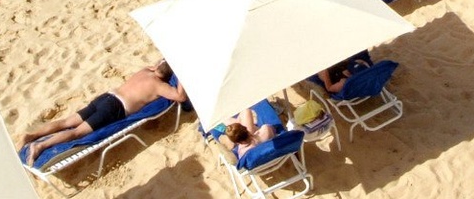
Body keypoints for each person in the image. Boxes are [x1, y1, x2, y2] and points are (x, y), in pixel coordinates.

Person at [21, 59, 186, 164]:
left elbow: (157, 65)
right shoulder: (159, 85)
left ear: (157, 66)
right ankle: (40, 146)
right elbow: (180, 96)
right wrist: (182, 76)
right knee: (77, 133)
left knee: (67, 123)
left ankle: (31, 136)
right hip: (115, 108)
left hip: (106, 97)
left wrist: (163, 62)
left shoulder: (145, 70)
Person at [216, 105, 282, 162]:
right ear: (245, 128)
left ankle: (224, 122)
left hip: (258, 165)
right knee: (245, 112)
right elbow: (273, 129)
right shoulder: (266, 130)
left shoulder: (244, 154)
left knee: (226, 121)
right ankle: (236, 123)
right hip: (277, 154)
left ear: (237, 142)